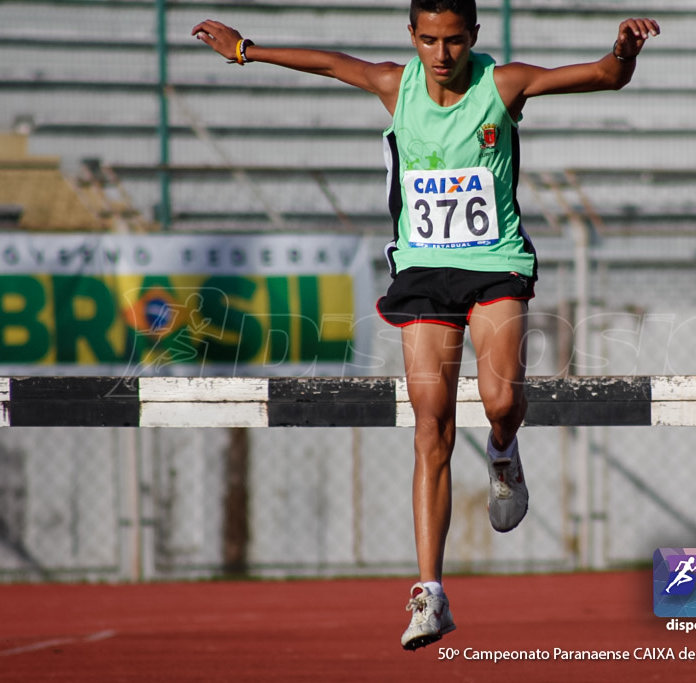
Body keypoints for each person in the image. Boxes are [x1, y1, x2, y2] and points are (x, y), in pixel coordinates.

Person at [192, 1, 659, 649]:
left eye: (455, 41)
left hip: (494, 262)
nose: (442, 55)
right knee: (430, 418)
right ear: (411, 35)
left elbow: (604, 77)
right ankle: (430, 592)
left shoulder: (502, 85)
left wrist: (625, 51)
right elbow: (329, 63)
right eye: (430, 40)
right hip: (422, 269)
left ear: (475, 36)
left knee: (501, 400)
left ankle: (502, 449)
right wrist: (246, 50)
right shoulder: (395, 83)